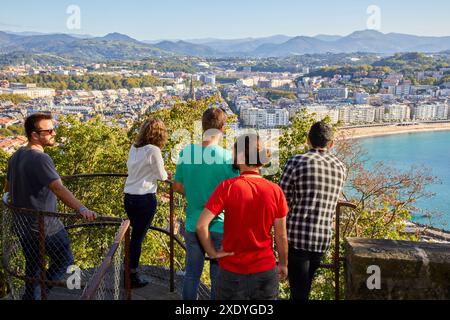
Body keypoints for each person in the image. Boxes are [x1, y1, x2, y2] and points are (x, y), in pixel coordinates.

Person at [4, 112, 97, 300]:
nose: (54, 133)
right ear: (34, 135)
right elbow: (58, 188)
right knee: (64, 261)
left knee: (33, 267)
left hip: (23, 225)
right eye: (49, 131)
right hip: (46, 227)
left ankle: (31, 296)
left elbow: (7, 187)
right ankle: (39, 291)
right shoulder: (41, 159)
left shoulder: (16, 156)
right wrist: (82, 209)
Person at [196, 133, 289, 300]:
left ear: (239, 157)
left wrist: (212, 253)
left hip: (232, 270)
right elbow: (281, 235)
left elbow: (201, 225)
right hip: (265, 269)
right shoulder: (275, 191)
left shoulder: (228, 187)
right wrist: (283, 263)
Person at [173, 107, 239, 300]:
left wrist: (193, 193)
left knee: (191, 275)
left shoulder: (187, 153)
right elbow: (235, 194)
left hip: (193, 223)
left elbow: (177, 186)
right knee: (217, 278)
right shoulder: (228, 158)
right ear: (223, 128)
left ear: (202, 126)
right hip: (219, 225)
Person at [280, 121, 347, 300]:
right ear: (331, 144)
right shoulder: (340, 167)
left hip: (296, 237)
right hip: (322, 238)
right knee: (305, 287)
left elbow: (281, 200)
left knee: (298, 291)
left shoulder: (296, 162)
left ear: (307, 140)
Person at [123, 118, 169, 288]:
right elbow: (161, 175)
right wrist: (167, 175)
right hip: (145, 197)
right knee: (138, 238)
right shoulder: (153, 150)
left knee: (134, 236)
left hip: (129, 196)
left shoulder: (134, 148)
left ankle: (127, 271)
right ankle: (131, 274)